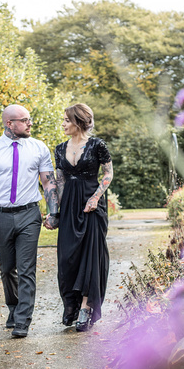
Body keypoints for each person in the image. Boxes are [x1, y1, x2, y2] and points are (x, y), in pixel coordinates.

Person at [0, 104, 59, 338]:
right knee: (6, 268)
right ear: (9, 123)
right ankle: (13, 307)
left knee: (26, 269)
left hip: (29, 215)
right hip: (0, 215)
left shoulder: (39, 148)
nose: (30, 123)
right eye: (25, 120)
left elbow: (48, 182)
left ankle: (23, 320)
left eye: (30, 119)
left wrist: (54, 211)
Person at [54, 103, 113, 332]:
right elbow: (59, 181)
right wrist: (57, 211)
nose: (63, 124)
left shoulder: (98, 145)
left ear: (78, 122)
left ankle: (86, 308)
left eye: (67, 120)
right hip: (69, 204)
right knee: (68, 258)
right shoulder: (59, 149)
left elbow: (108, 173)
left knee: (91, 257)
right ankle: (72, 304)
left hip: (92, 204)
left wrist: (96, 197)